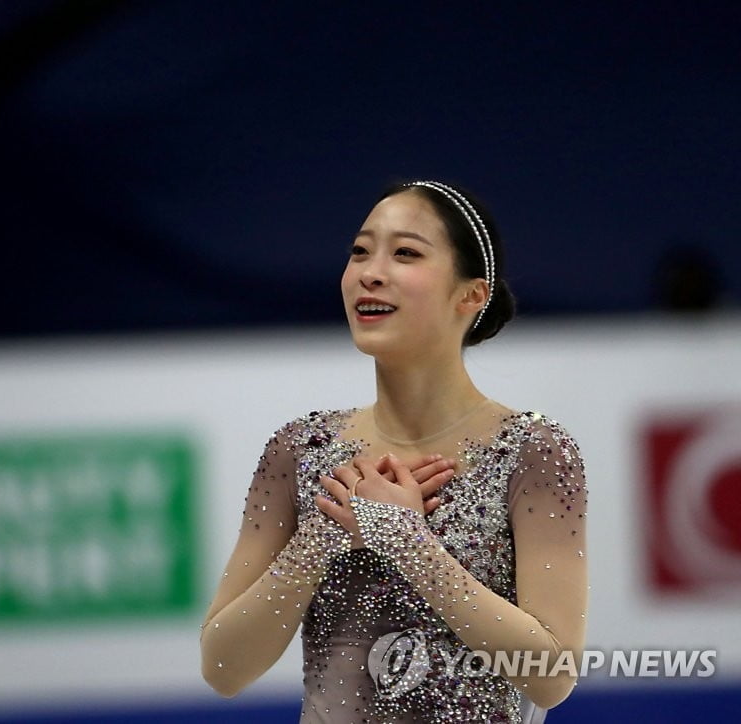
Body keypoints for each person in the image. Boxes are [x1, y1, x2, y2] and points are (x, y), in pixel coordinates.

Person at [200, 180, 589, 723]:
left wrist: (406, 541)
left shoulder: (533, 454)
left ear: (471, 295)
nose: (370, 271)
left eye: (405, 253)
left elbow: (550, 679)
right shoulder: (301, 451)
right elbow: (222, 667)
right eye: (360, 251)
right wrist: (318, 540)